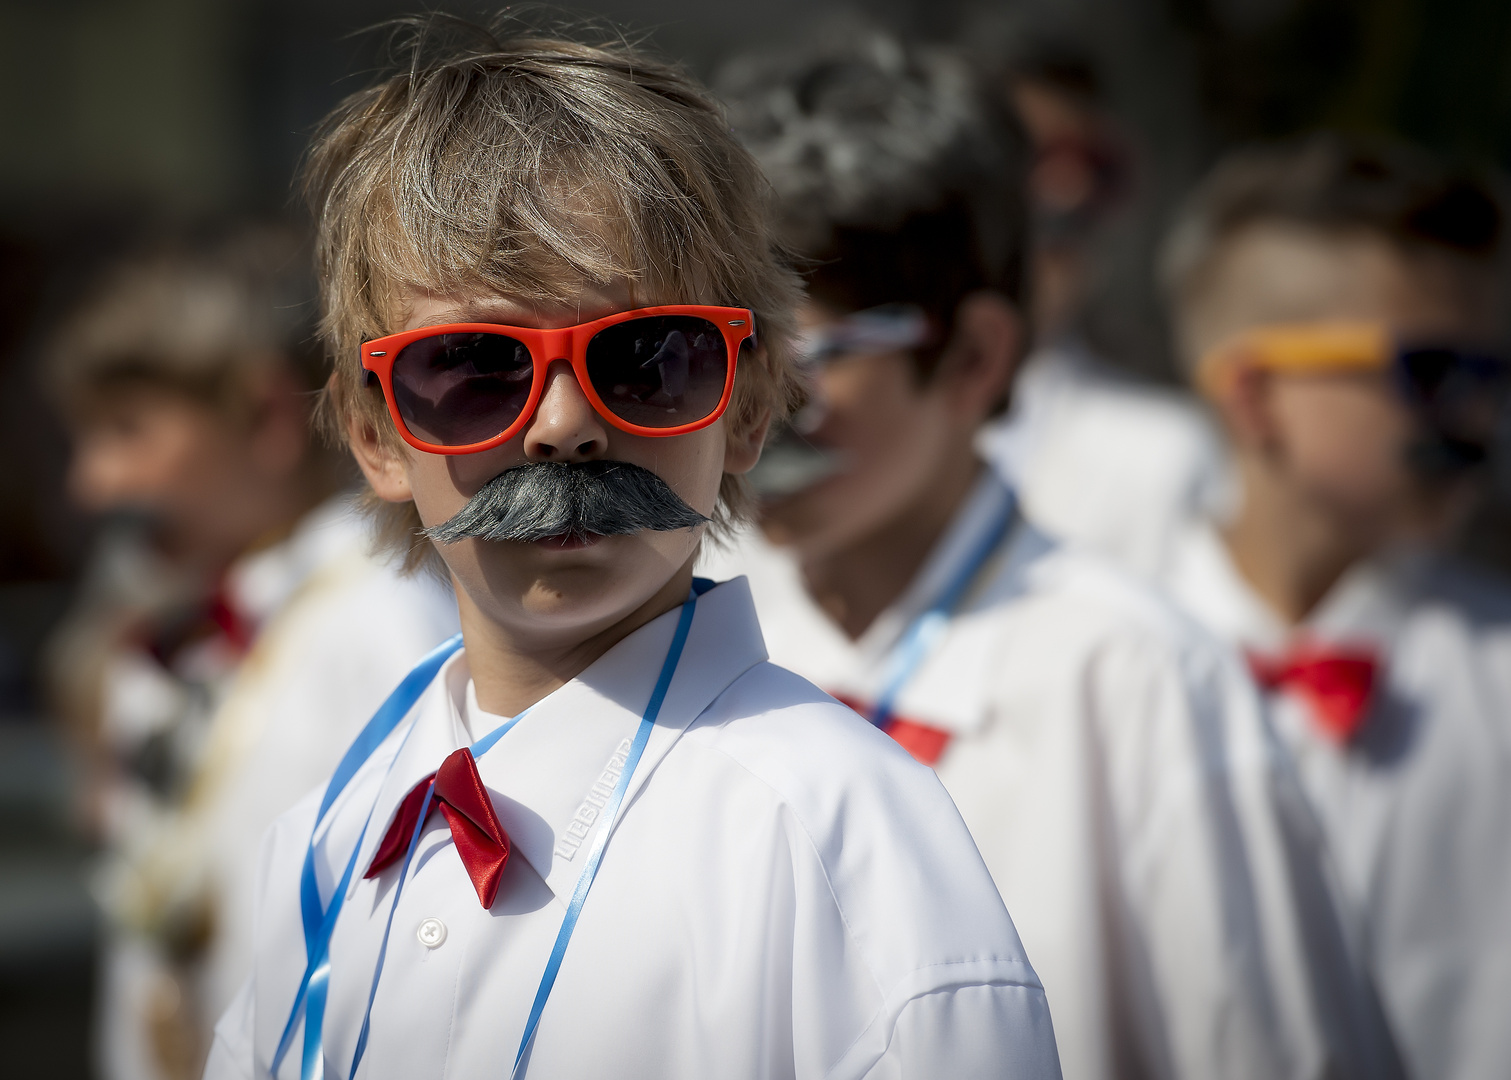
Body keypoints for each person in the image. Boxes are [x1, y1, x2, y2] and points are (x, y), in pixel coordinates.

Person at [205, 21, 1062, 1080]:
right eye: (473, 369)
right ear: (377, 433)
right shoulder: (331, 832)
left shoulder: (839, 841)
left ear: (748, 409)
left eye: (649, 359)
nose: (563, 424)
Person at [709, 30, 1400, 1080]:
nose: (743, 414)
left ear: (975, 355)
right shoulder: (690, 640)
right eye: (709, 354)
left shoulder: (1136, 679)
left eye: (799, 362)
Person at [42, 228, 459, 1080]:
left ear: (266, 415)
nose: (94, 484)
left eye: (128, 431)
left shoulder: (380, 622)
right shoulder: (181, 631)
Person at [1156, 133, 1511, 1080]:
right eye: (1432, 373)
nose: (1478, 417)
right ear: (1256, 395)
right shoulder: (1093, 669)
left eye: (1492, 374)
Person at [975, 41, 1229, 577]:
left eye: (1097, 167)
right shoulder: (808, 403)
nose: (1068, 193)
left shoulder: (1165, 455)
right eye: (1031, 159)